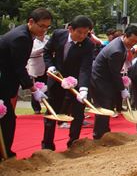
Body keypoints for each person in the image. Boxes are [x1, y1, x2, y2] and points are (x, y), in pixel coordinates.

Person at [0, 8, 52, 158]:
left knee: (7, 118)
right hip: (3, 78)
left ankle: (5, 153)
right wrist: (33, 89)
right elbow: (19, 67)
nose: (44, 30)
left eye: (47, 27)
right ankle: (5, 154)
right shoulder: (21, 37)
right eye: (41, 26)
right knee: (7, 120)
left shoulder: (26, 34)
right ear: (31, 22)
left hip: (7, 78)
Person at [41, 15, 96, 150]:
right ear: (71, 29)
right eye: (80, 32)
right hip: (56, 79)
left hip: (76, 81)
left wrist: (83, 88)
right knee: (51, 113)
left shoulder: (88, 45)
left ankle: (73, 143)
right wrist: (50, 66)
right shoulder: (58, 35)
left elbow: (85, 68)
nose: (82, 36)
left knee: (78, 113)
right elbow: (47, 52)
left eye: (86, 33)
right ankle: (47, 146)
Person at [91, 25, 137, 139]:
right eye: (131, 40)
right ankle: (99, 135)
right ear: (125, 36)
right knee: (104, 107)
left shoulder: (121, 45)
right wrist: (122, 89)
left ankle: (104, 132)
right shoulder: (117, 50)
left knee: (108, 107)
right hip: (100, 80)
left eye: (136, 41)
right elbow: (114, 73)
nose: (133, 43)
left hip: (106, 79)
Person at [26, 34, 48, 114]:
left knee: (47, 87)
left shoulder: (47, 41)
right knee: (36, 88)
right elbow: (31, 53)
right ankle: (36, 108)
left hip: (46, 67)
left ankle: (48, 107)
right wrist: (43, 49)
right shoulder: (33, 42)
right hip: (35, 68)